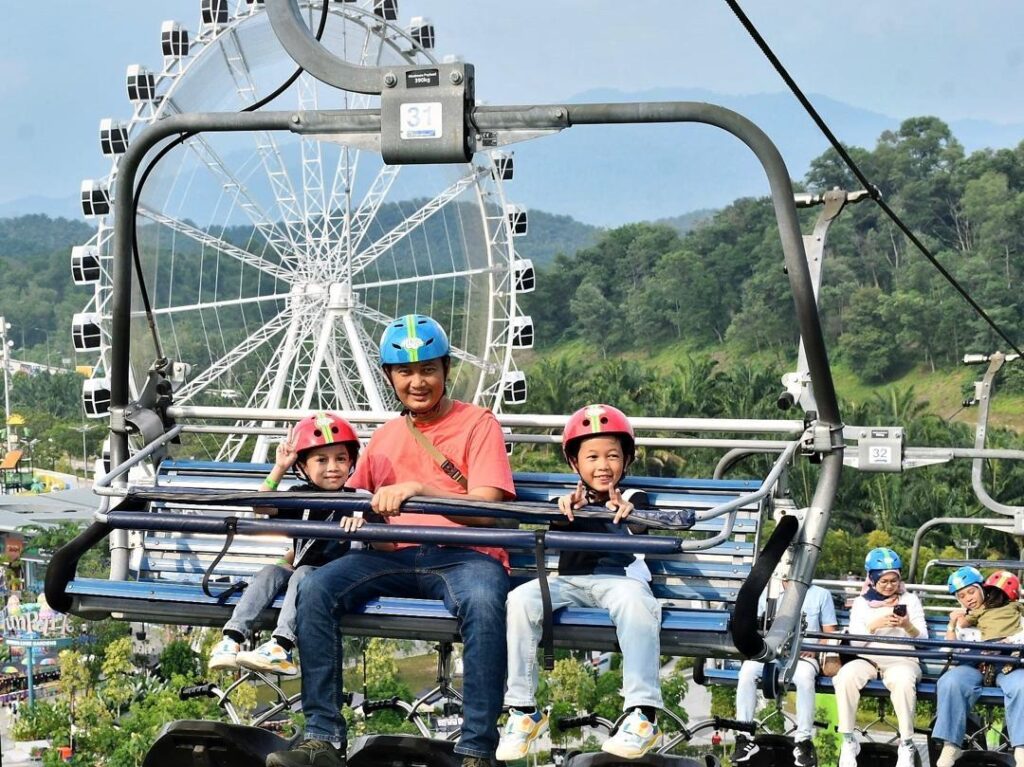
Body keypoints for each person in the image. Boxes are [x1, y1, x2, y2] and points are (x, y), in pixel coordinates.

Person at [266, 314, 515, 767]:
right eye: (406, 372)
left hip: (466, 555)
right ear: (390, 377)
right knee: (317, 589)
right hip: (393, 555)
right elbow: (346, 502)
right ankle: (321, 736)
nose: (417, 382)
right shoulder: (383, 438)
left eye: (428, 371)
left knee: (483, 603)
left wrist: (421, 491)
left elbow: (488, 508)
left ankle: (478, 748)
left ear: (445, 372)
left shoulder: (479, 425)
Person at [497, 404, 663, 761]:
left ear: (627, 460)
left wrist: (623, 512)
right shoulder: (570, 501)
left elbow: (640, 527)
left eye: (612, 456)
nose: (603, 466)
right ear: (575, 464)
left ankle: (643, 715)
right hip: (571, 583)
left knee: (636, 604)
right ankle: (523, 709)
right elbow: (555, 531)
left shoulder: (633, 499)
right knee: (522, 600)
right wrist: (563, 511)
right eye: (592, 457)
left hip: (616, 583)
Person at [208, 412, 364, 676]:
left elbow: (386, 545)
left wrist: (364, 528)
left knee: (302, 573)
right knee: (272, 571)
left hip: (334, 580)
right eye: (321, 460)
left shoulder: (358, 503)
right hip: (301, 572)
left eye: (341, 459)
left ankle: (282, 645)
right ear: (303, 466)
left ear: (351, 462)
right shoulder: (298, 497)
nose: (333, 467)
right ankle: (233, 638)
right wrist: (279, 467)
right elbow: (260, 506)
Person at [833, 547, 926, 767]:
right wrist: (873, 627)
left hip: (902, 659)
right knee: (845, 676)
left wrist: (907, 626)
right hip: (869, 659)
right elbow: (855, 643)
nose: (889, 586)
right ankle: (848, 739)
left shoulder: (910, 600)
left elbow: (923, 639)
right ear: (872, 580)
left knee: (903, 681)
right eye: (883, 581)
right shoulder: (861, 603)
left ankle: (906, 743)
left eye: (894, 580)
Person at [732, 578, 838, 767]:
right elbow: (755, 625)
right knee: (747, 670)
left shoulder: (821, 595)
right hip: (771, 653)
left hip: (803, 655)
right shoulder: (770, 592)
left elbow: (830, 632)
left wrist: (815, 649)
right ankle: (744, 735)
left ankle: (803, 741)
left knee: (805, 678)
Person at [933, 567, 1024, 767]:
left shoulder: (1009, 611)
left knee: (1022, 685)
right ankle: (951, 745)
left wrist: (1008, 642)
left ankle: (1021, 749)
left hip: (1006, 665)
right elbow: (951, 650)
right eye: (961, 596)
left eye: (971, 592)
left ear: (983, 588)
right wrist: (951, 625)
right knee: (950, 681)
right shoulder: (965, 618)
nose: (968, 599)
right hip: (974, 665)